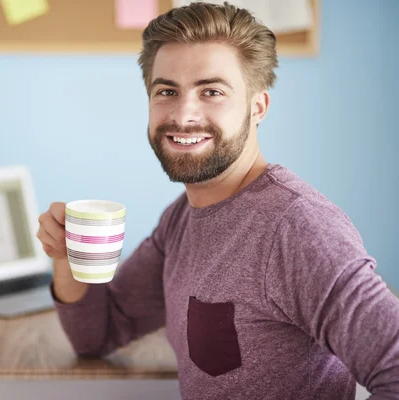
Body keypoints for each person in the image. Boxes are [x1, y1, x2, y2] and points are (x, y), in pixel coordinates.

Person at [36, 2, 399, 399]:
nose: (184, 114)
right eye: (166, 91)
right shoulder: (180, 219)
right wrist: (63, 256)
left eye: (211, 91)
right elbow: (98, 333)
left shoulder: (296, 228)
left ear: (257, 107)